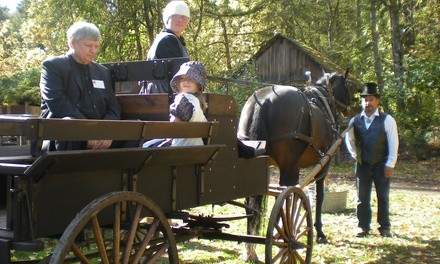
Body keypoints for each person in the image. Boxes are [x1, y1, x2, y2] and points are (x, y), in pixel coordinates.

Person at [38, 21, 126, 152]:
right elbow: (58, 104)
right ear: (72, 42)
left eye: (96, 46)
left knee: (135, 133)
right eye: (89, 45)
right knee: (68, 125)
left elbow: (113, 106)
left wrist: (107, 130)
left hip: (101, 134)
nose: (93, 51)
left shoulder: (102, 71)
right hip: (69, 134)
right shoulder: (53, 66)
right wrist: (87, 130)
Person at [345, 82, 399, 238]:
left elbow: (393, 142)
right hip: (362, 165)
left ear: (377, 101)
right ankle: (362, 226)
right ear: (362, 102)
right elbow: (349, 141)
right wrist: (356, 155)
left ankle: (384, 227)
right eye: (365, 100)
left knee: (382, 196)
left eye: (371, 100)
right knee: (362, 197)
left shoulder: (387, 120)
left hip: (382, 164)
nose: (368, 103)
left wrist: (390, 163)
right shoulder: (354, 120)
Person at [143, 60, 207, 148]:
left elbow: (174, 125)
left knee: (145, 146)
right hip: (197, 147)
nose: (185, 81)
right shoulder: (199, 102)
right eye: (182, 78)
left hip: (179, 147)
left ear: (198, 85)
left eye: (190, 79)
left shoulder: (183, 98)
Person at [139, 0, 190, 95]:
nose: (180, 20)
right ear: (167, 18)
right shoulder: (168, 40)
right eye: (175, 16)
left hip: (161, 93)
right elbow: (176, 76)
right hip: (163, 96)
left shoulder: (170, 38)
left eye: (183, 17)